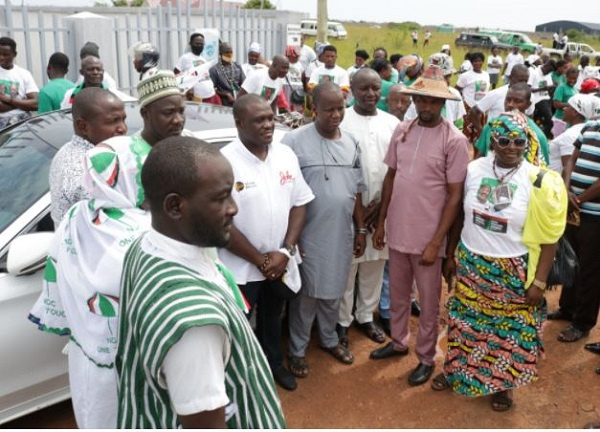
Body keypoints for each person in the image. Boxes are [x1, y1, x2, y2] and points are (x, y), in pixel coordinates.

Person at [115, 136, 286, 428]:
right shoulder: (194, 326)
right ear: (175, 207)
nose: (234, 208)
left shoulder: (144, 245)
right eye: (221, 198)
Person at [431, 111, 567, 412]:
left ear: (527, 141)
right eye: (504, 140)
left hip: (512, 269)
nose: (511, 147)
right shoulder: (475, 169)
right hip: (472, 264)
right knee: (466, 324)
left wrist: (540, 282)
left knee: (508, 331)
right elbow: (461, 216)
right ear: (492, 140)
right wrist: (451, 253)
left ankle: (504, 386)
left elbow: (549, 238)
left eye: (519, 141)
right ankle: (457, 373)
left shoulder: (538, 181)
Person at [29, 140, 151, 428]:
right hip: (134, 363)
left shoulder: (77, 215)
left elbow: (58, 275)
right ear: (129, 180)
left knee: (96, 415)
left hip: (89, 356)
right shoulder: (149, 233)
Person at [369, 66, 470, 388]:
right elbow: (391, 177)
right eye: (421, 100)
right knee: (398, 295)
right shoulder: (403, 130)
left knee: (427, 305)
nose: (426, 107)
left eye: (432, 102)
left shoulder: (454, 141)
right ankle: (398, 342)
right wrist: (382, 222)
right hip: (398, 231)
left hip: (429, 237)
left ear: (442, 105)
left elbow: (455, 196)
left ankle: (426, 358)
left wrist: (436, 243)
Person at [218, 95, 314, 392]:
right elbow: (221, 223)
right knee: (236, 326)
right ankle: (239, 380)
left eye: (270, 118)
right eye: (259, 120)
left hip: (280, 263)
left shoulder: (285, 155)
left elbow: (300, 204)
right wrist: (259, 260)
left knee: (273, 319)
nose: (268, 125)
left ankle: (274, 365)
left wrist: (285, 250)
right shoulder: (222, 162)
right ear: (239, 123)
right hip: (241, 268)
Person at [283, 82, 366, 378]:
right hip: (307, 235)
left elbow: (357, 191)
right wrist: (290, 239)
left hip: (341, 233)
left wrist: (360, 230)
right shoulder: (293, 142)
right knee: (305, 298)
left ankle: (329, 339)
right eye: (328, 108)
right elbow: (283, 193)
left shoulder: (353, 143)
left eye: (340, 108)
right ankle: (297, 350)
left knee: (333, 293)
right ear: (313, 108)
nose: (336, 114)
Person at [336, 69, 400, 348]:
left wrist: (381, 211)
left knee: (375, 264)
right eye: (364, 88)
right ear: (351, 89)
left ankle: (365, 316)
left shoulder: (393, 123)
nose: (371, 94)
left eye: (375, 88)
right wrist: (362, 211)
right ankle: (342, 322)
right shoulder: (342, 121)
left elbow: (395, 169)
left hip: (383, 210)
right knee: (347, 268)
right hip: (350, 209)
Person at [549, 116, 600, 344]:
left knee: (590, 269)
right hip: (573, 209)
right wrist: (566, 188)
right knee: (570, 259)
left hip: (594, 214)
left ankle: (582, 322)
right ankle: (567, 309)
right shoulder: (590, 126)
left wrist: (578, 199)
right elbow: (571, 160)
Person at [49, 87, 128, 227]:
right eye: (113, 121)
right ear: (83, 127)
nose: (123, 128)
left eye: (123, 120)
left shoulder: (67, 150)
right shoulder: (90, 172)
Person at [475, 83, 550, 166]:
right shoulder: (492, 125)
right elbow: (480, 156)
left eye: (517, 101)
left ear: (528, 105)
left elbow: (541, 169)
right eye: (508, 100)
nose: (510, 104)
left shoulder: (537, 136)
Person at [405, 53, 466, 129]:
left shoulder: (454, 94)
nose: (446, 81)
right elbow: (408, 123)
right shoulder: (418, 95)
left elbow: (458, 123)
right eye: (443, 77)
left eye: (448, 76)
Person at [468, 64, 531, 138]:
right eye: (520, 80)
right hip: (494, 140)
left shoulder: (529, 96)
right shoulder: (496, 94)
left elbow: (529, 116)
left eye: (525, 81)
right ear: (511, 78)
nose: (523, 84)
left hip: (518, 141)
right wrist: (483, 134)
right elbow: (474, 112)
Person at [548, 94, 598, 173]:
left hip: (556, 181)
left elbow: (568, 169)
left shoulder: (571, 135)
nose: (564, 109)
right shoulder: (582, 129)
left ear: (575, 112)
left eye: (568, 107)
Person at [61, 56, 134, 109]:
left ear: (103, 72)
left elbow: (134, 104)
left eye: (98, 69)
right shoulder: (71, 95)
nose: (95, 72)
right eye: (91, 69)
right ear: (82, 72)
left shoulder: (113, 95)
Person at [0, 36, 38, 129]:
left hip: (23, 122)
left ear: (14, 54)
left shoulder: (24, 74)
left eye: (5, 54)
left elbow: (36, 104)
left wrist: (9, 100)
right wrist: (23, 103)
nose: (1, 57)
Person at [173, 32, 218, 104]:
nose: (199, 45)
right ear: (190, 44)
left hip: (211, 94)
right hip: (197, 98)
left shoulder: (203, 59)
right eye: (197, 43)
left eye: (201, 44)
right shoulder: (185, 58)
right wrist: (187, 88)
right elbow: (176, 75)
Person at [209, 42, 245, 107]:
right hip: (224, 103)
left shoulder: (237, 66)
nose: (229, 54)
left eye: (231, 52)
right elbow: (211, 89)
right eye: (226, 52)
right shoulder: (214, 70)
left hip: (239, 100)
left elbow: (244, 84)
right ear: (220, 54)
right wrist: (226, 94)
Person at [529, 59, 557, 138]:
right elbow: (528, 88)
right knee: (550, 121)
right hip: (537, 100)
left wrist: (552, 88)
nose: (549, 73)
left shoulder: (548, 75)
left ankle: (542, 137)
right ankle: (541, 138)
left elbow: (548, 88)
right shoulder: (534, 72)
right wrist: (542, 89)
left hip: (547, 99)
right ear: (546, 66)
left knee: (550, 121)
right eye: (549, 70)